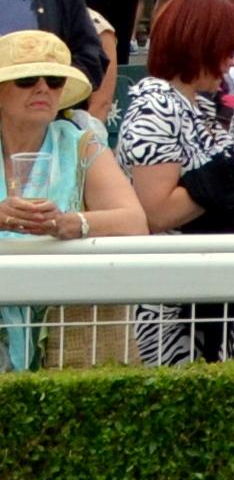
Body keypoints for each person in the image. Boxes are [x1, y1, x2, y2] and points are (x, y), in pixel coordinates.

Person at [113, 0, 234, 362]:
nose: (232, 62)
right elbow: (157, 211)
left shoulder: (194, 105)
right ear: (200, 44)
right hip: (174, 307)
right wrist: (233, 172)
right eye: (227, 50)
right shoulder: (156, 107)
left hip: (207, 294)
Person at [0, 27, 145, 369]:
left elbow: (135, 222)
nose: (42, 89)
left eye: (54, 80)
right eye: (26, 80)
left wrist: (71, 223)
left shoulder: (81, 143)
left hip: (67, 326)